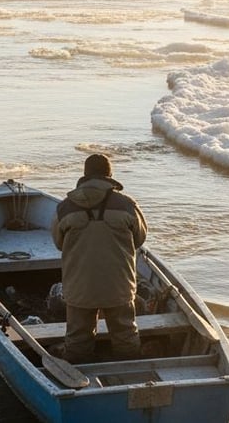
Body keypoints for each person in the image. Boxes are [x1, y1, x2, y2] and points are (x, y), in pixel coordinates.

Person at [52, 154, 147, 364]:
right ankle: (130, 371)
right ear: (109, 175)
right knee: (126, 334)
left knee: (78, 338)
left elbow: (58, 243)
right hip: (119, 285)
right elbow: (140, 239)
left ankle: (79, 375)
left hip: (79, 287)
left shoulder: (64, 207)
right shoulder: (127, 205)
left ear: (84, 175)